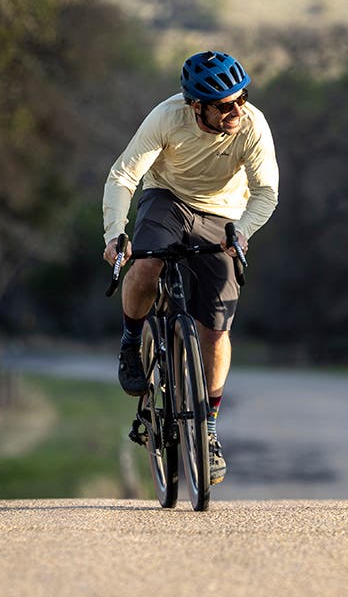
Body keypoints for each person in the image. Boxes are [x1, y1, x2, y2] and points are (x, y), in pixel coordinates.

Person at [103, 51, 279, 484]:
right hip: (168, 199)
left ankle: (210, 430)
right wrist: (114, 234)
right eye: (224, 105)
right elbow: (123, 177)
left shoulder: (252, 125)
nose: (236, 110)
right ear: (196, 105)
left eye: (241, 99)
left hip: (226, 215)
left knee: (216, 331)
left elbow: (266, 193)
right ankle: (130, 341)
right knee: (145, 266)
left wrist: (242, 233)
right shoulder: (166, 118)